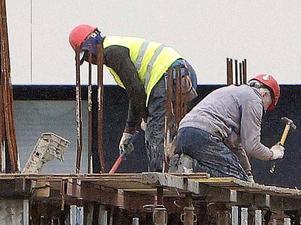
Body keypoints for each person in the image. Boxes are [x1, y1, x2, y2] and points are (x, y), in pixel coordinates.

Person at [68, 24, 197, 171]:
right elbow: (134, 94)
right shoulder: (113, 48)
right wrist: (129, 131)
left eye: (87, 56)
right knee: (172, 131)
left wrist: (146, 119)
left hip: (166, 76)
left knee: (156, 135)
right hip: (180, 73)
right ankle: (181, 168)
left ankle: (161, 179)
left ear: (91, 45)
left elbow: (136, 90)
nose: (90, 61)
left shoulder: (112, 52)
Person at [171, 74, 282, 181]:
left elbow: (235, 147)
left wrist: (247, 173)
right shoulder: (254, 99)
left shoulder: (232, 92)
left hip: (184, 133)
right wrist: (272, 154)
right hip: (205, 135)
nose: (265, 110)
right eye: (268, 104)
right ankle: (192, 167)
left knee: (237, 175)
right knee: (236, 179)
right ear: (265, 95)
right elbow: (252, 146)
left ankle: (183, 163)